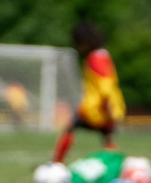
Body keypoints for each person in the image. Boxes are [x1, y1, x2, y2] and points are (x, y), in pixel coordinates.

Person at [51, 22, 126, 164]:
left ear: (85, 42)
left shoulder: (95, 58)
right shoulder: (104, 55)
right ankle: (115, 167)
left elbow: (105, 84)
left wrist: (106, 104)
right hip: (110, 106)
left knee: (70, 128)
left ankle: (56, 163)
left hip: (97, 108)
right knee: (108, 138)